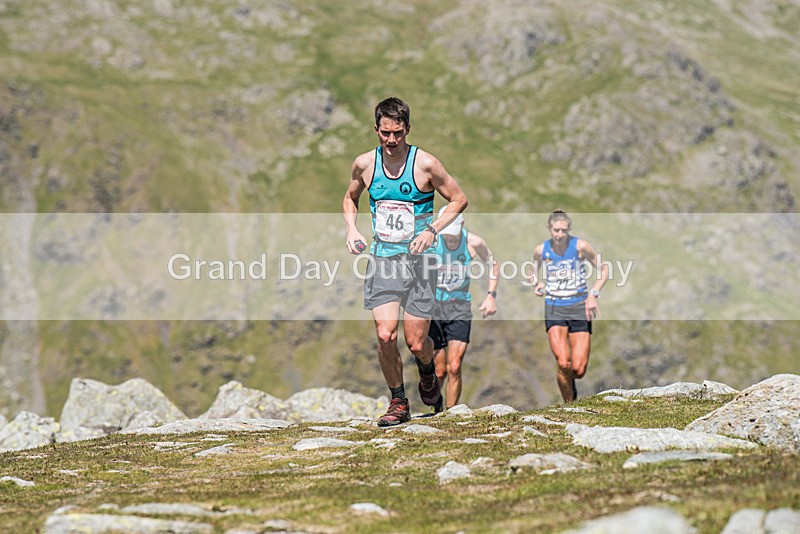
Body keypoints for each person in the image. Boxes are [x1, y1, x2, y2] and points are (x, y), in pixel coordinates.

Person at [343, 97, 468, 426]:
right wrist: (352, 229)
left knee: (416, 342)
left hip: (420, 264)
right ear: (376, 130)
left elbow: (458, 199)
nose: (391, 140)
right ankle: (398, 401)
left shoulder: (425, 164)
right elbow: (350, 197)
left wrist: (432, 230)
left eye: (398, 133)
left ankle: (427, 370)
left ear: (408, 130)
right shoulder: (364, 165)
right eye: (385, 133)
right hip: (383, 260)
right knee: (385, 335)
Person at [532, 210, 608, 403]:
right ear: (549, 229)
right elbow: (532, 272)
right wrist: (537, 283)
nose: (559, 235)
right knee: (564, 363)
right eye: (556, 230)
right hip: (554, 306)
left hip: (579, 306)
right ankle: (569, 404)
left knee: (578, 370)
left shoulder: (581, 246)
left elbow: (604, 268)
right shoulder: (542, 250)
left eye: (564, 231)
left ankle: (570, 386)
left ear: (569, 230)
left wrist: (594, 293)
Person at [430, 206, 499, 410]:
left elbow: (493, 264)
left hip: (459, 307)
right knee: (439, 370)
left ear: (461, 225)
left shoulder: (474, 243)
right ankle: (436, 408)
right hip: (434, 308)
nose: (450, 239)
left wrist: (490, 296)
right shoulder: (433, 241)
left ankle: (451, 414)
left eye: (453, 233)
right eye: (446, 234)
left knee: (455, 366)